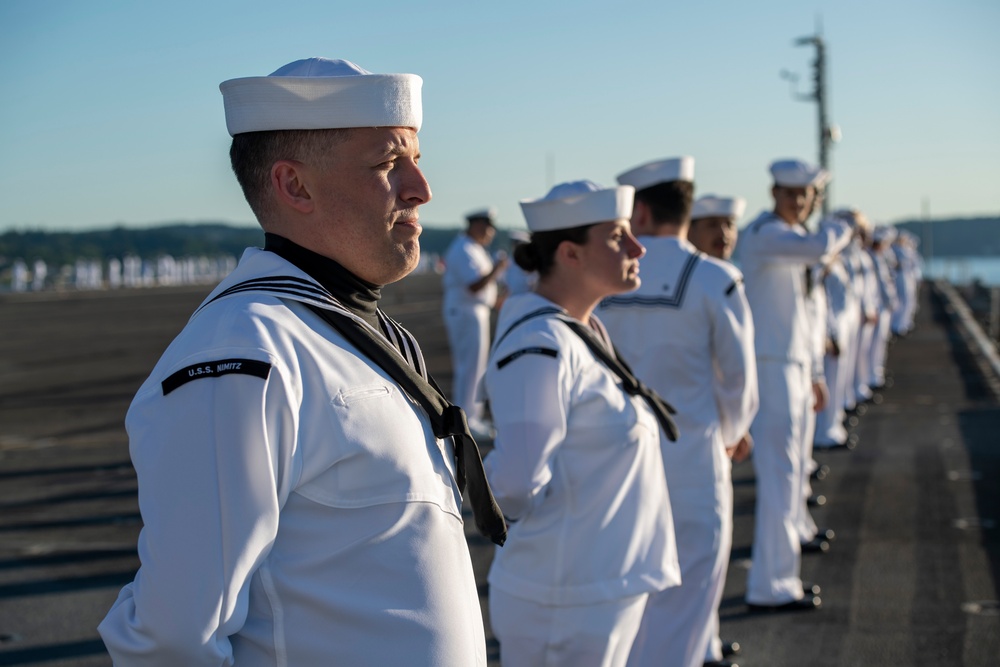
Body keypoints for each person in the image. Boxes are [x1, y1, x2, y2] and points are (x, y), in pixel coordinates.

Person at [98, 57, 505, 666]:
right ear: (295, 186)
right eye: (389, 164)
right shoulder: (245, 351)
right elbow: (173, 638)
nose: (422, 189)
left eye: (416, 161)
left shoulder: (346, 330)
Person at [484, 180, 680, 667]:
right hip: (565, 598)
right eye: (618, 236)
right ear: (570, 254)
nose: (638, 246)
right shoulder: (542, 343)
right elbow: (515, 482)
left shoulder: (580, 331)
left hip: (593, 591)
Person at [597, 159, 757, 667]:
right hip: (691, 459)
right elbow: (738, 380)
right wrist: (731, 432)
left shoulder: (602, 276)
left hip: (616, 463)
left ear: (639, 209)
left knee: (627, 608)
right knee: (687, 606)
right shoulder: (717, 278)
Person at [738, 158, 852, 612]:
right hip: (770, 367)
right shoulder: (766, 235)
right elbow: (824, 246)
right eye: (790, 195)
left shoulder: (791, 239)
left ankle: (781, 575)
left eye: (805, 196)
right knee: (781, 476)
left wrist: (814, 374)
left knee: (790, 474)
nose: (798, 203)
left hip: (792, 365)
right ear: (774, 195)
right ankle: (772, 584)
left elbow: (805, 316)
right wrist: (848, 223)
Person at [442, 207, 509, 435]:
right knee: (469, 368)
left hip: (475, 311)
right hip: (466, 311)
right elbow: (475, 285)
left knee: (476, 367)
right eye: (488, 227)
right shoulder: (463, 249)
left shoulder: (474, 249)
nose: (491, 232)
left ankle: (473, 417)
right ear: (477, 226)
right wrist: (497, 269)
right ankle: (467, 419)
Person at [687, 194, 747, 261]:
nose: (723, 233)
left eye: (729, 224)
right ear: (689, 231)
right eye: (712, 224)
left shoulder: (735, 270)